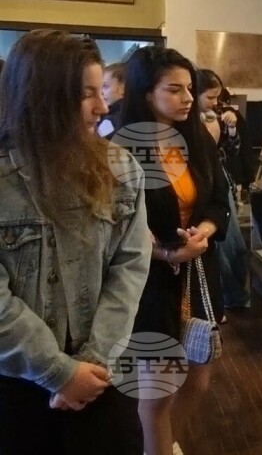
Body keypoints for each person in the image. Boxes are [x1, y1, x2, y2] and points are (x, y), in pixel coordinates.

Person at [0, 29, 150, 454]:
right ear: (40, 96)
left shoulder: (122, 169)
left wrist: (92, 364)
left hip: (103, 379)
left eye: (100, 91)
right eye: (86, 94)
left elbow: (130, 268)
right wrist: (58, 372)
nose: (102, 107)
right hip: (17, 384)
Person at [117, 47, 230, 455]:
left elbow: (219, 200)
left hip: (198, 273)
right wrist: (166, 254)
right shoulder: (122, 149)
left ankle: (168, 444)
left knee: (199, 378)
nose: (187, 98)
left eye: (189, 88)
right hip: (149, 282)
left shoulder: (196, 140)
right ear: (146, 93)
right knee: (157, 390)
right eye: (174, 89)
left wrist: (203, 231)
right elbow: (118, 228)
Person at [196, 68, 251, 309]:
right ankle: (229, 297)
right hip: (204, 188)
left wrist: (231, 129)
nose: (215, 102)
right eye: (210, 97)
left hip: (222, 183)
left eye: (217, 96)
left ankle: (235, 296)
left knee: (234, 245)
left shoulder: (217, 114)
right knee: (219, 246)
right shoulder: (187, 122)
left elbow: (232, 150)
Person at [97, 62, 126, 137]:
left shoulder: (110, 121)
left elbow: (92, 142)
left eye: (105, 86)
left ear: (122, 89)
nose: (101, 92)